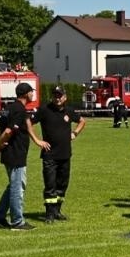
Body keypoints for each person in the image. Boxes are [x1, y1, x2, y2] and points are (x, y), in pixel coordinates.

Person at [0, 83, 48, 230]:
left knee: (12, 187)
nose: (33, 94)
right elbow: (8, 131)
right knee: (18, 187)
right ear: (26, 94)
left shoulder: (11, 108)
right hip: (15, 154)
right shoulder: (18, 110)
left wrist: (36, 141)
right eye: (31, 92)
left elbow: (2, 128)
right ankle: (17, 222)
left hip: (11, 153)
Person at [35, 86, 85, 220]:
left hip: (65, 154)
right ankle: (49, 214)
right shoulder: (44, 110)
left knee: (62, 185)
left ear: (65, 97)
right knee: (50, 185)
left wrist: (75, 133)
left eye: (60, 95)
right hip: (49, 155)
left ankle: (57, 211)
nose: (57, 98)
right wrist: (37, 140)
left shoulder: (69, 111)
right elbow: (28, 122)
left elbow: (82, 121)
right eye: (55, 95)